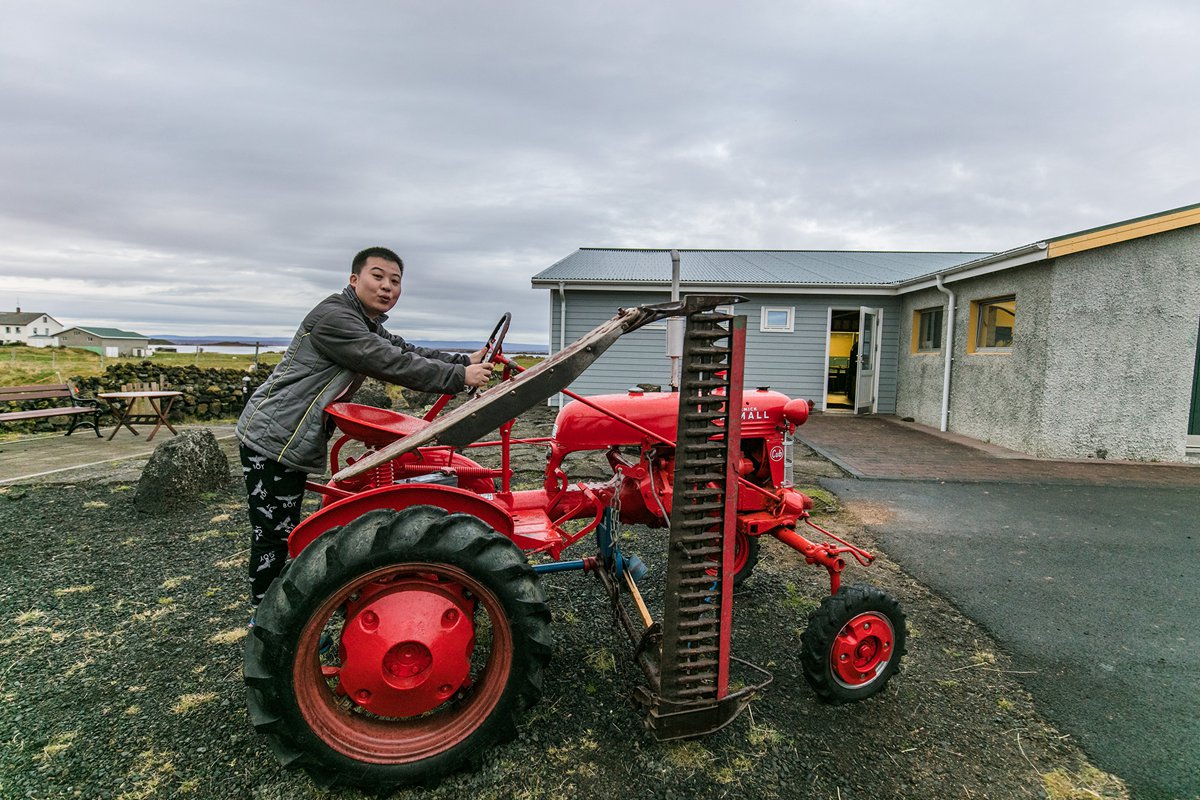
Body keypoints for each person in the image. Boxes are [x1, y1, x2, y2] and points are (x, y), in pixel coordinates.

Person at [235, 246, 492, 612]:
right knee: (274, 535)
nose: (387, 287)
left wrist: (463, 360)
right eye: (378, 276)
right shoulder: (334, 318)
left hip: (287, 433)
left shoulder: (362, 321)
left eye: (395, 281)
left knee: (285, 529)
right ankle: (266, 622)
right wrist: (458, 376)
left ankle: (288, 608)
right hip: (274, 433)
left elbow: (404, 348)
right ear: (354, 280)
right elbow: (387, 360)